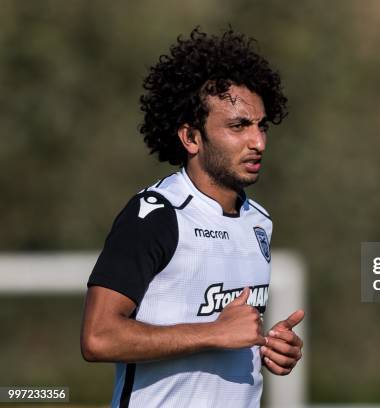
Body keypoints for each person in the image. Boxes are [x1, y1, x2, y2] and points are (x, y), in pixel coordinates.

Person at [80, 27, 304, 408]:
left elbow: (233, 339)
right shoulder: (154, 215)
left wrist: (273, 348)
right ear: (191, 137)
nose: (259, 142)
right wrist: (213, 333)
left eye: (261, 125)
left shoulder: (259, 222)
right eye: (238, 126)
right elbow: (98, 337)